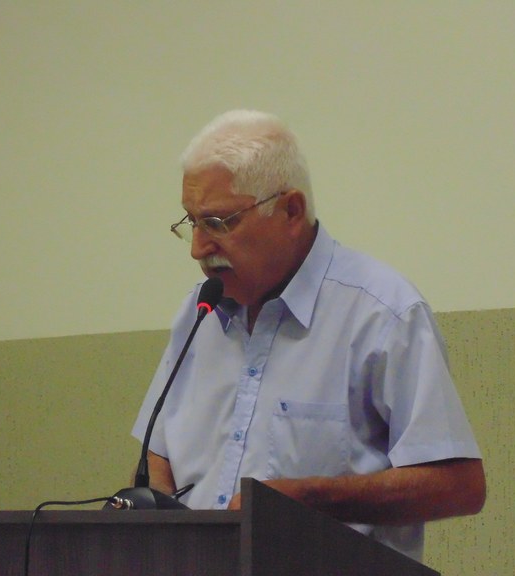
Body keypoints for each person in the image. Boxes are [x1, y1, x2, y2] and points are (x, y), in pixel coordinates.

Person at [131, 109, 486, 561]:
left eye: (219, 223)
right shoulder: (198, 311)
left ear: (291, 211)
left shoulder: (382, 313)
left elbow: (459, 486)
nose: (199, 248)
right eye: (192, 222)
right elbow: (160, 452)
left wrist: (314, 500)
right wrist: (157, 523)